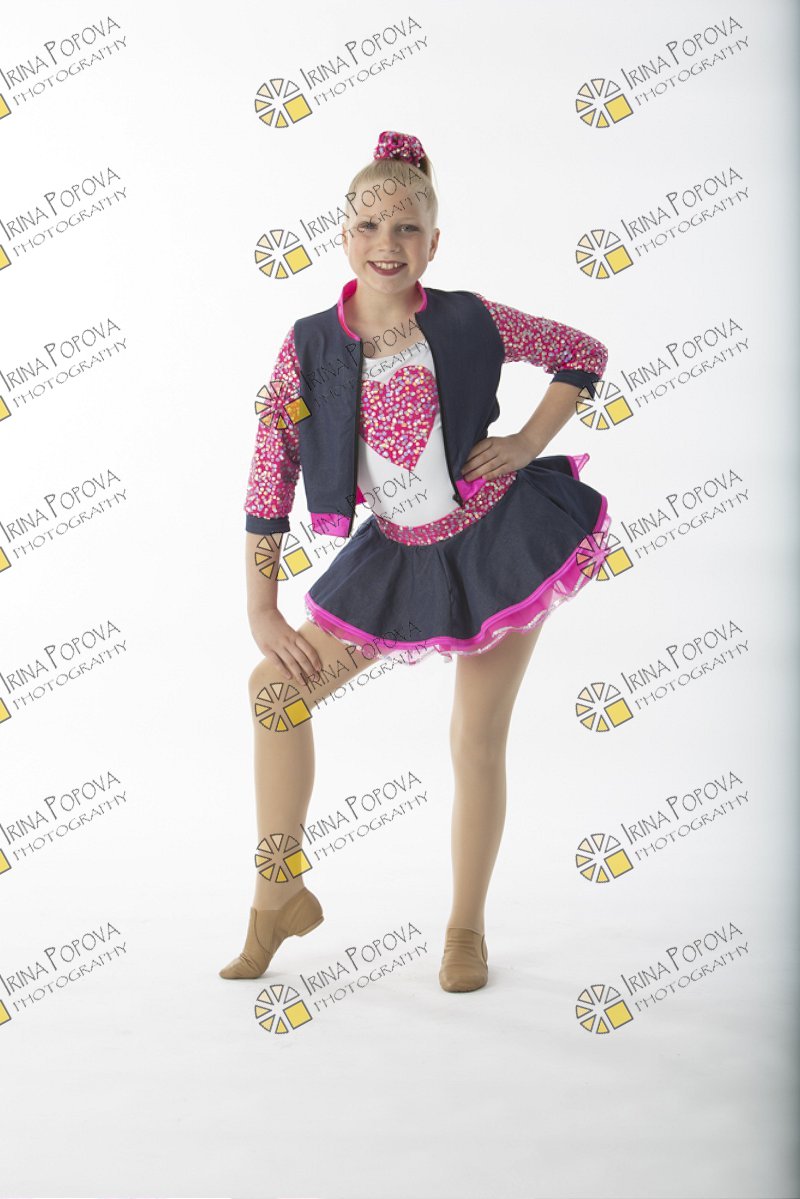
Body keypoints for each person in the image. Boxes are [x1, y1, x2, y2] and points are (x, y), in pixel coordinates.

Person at [219, 130, 613, 993]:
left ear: (434, 242)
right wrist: (261, 607)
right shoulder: (308, 345)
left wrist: (526, 442)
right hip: (398, 556)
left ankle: (465, 927)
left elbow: (583, 352)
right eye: (369, 226)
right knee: (275, 692)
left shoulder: (470, 318)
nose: (387, 243)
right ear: (343, 236)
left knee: (475, 737)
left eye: (407, 228)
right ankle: (276, 895)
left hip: (501, 542)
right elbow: (269, 466)